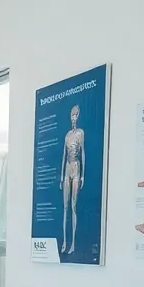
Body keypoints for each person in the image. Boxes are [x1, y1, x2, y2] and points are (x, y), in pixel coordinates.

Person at [59, 105, 85, 255]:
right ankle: (64, 242)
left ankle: (73, 243)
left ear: (78, 116)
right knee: (65, 207)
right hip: (68, 167)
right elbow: (64, 155)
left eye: (76, 115)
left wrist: (82, 175)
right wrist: (62, 176)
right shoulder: (67, 135)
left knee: (74, 206)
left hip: (76, 167)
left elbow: (83, 153)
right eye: (72, 115)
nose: (74, 118)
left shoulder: (81, 133)